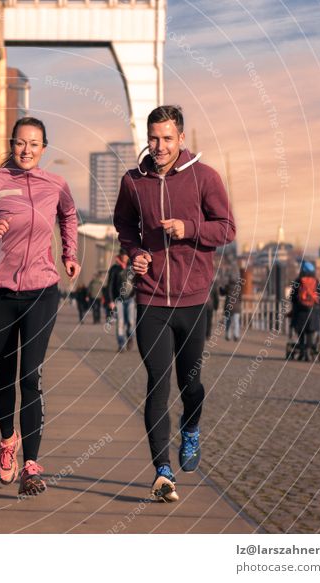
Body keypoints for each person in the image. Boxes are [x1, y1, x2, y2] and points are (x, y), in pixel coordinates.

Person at [113, 105, 236, 502]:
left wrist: (190, 229)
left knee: (191, 384)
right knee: (158, 381)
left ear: (181, 138)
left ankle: (192, 427)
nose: (160, 146)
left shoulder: (205, 177)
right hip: (151, 297)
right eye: (154, 138)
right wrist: (135, 252)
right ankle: (162, 471)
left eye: (167, 138)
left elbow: (227, 228)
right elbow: (124, 226)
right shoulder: (133, 182)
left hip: (194, 300)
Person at [0, 117, 80, 497]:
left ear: (44, 147)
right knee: (4, 375)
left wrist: (69, 253)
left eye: (35, 144)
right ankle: (8, 440)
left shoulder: (56, 184)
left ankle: (31, 465)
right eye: (20, 143)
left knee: (31, 377)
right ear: (12, 144)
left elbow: (69, 215)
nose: (27, 150)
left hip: (42, 290)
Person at [289, 261, 320, 361]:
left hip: (300, 311)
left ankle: (302, 350)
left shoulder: (298, 281)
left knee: (301, 331)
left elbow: (292, 297)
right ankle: (309, 349)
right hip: (313, 312)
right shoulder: (316, 282)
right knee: (311, 331)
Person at [106, 252, 136, 351]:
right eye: (122, 255)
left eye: (126, 255)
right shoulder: (114, 269)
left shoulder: (132, 267)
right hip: (118, 300)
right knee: (120, 322)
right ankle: (121, 344)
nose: (124, 257)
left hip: (130, 298)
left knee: (131, 321)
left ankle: (130, 337)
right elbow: (110, 285)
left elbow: (137, 283)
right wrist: (110, 300)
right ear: (120, 256)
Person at [220, 273, 243, 341]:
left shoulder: (227, 286)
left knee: (228, 321)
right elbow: (240, 298)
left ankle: (228, 335)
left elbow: (222, 293)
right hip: (237, 307)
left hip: (229, 306)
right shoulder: (239, 288)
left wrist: (220, 288)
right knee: (236, 322)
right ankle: (236, 335)